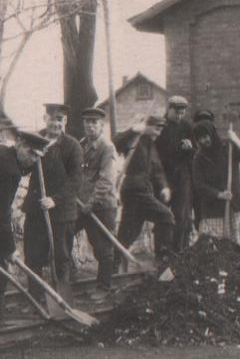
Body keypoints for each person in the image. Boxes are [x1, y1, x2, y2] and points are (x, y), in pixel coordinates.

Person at [0, 129, 44, 328]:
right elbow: (2, 214)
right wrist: (9, 249)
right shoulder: (11, 172)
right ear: (19, 145)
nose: (34, 160)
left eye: (37, 156)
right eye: (31, 153)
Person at [23, 103, 82, 303]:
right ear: (44, 119)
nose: (55, 123)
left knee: (61, 257)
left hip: (62, 212)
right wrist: (30, 157)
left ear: (65, 122)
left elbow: (75, 179)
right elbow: (21, 166)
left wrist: (55, 200)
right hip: (36, 209)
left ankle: (61, 299)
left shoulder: (72, 146)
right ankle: (35, 299)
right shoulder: (33, 140)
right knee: (33, 257)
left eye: (60, 119)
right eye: (52, 118)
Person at [114, 115, 174, 264]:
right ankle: (162, 260)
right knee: (166, 217)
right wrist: (134, 130)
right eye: (156, 129)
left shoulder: (151, 145)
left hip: (142, 191)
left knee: (129, 232)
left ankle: (112, 267)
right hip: (135, 190)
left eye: (160, 130)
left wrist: (164, 186)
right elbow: (115, 142)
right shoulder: (134, 139)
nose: (158, 133)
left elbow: (157, 170)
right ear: (146, 126)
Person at [76, 108, 119, 296]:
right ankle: (68, 275)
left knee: (103, 248)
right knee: (65, 232)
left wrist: (90, 203)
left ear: (102, 125)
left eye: (94, 122)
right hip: (81, 204)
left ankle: (104, 287)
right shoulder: (81, 145)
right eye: (87, 122)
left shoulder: (107, 148)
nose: (90, 126)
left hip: (101, 206)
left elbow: (106, 181)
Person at [192, 119, 240, 239]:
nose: (204, 141)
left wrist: (238, 142)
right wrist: (219, 194)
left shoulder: (228, 146)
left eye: (205, 136)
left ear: (212, 133)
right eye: (200, 138)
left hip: (236, 203)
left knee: (236, 244)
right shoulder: (199, 157)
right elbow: (199, 185)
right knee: (214, 245)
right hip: (213, 209)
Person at [156, 95, 196, 251]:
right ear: (169, 109)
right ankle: (162, 251)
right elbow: (158, 154)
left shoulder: (187, 127)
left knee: (182, 215)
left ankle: (180, 250)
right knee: (162, 214)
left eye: (182, 113)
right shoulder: (160, 126)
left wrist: (190, 149)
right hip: (164, 178)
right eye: (176, 112)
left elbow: (194, 153)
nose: (179, 116)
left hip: (182, 177)